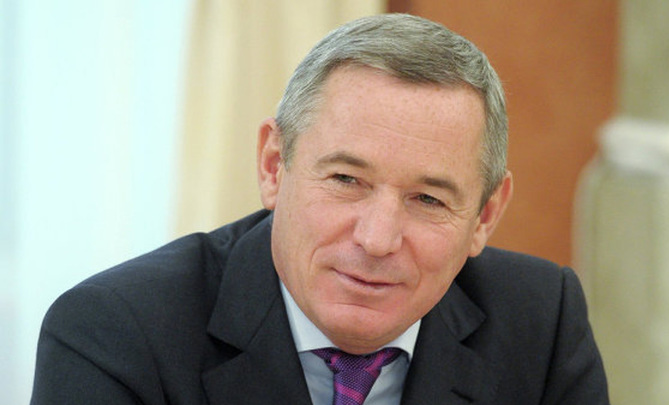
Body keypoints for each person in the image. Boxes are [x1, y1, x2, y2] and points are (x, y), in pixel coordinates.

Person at [31, 13, 609, 405]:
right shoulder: (114, 334)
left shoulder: (541, 322)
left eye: (428, 199)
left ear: (484, 215)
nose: (377, 239)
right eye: (346, 180)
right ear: (273, 167)